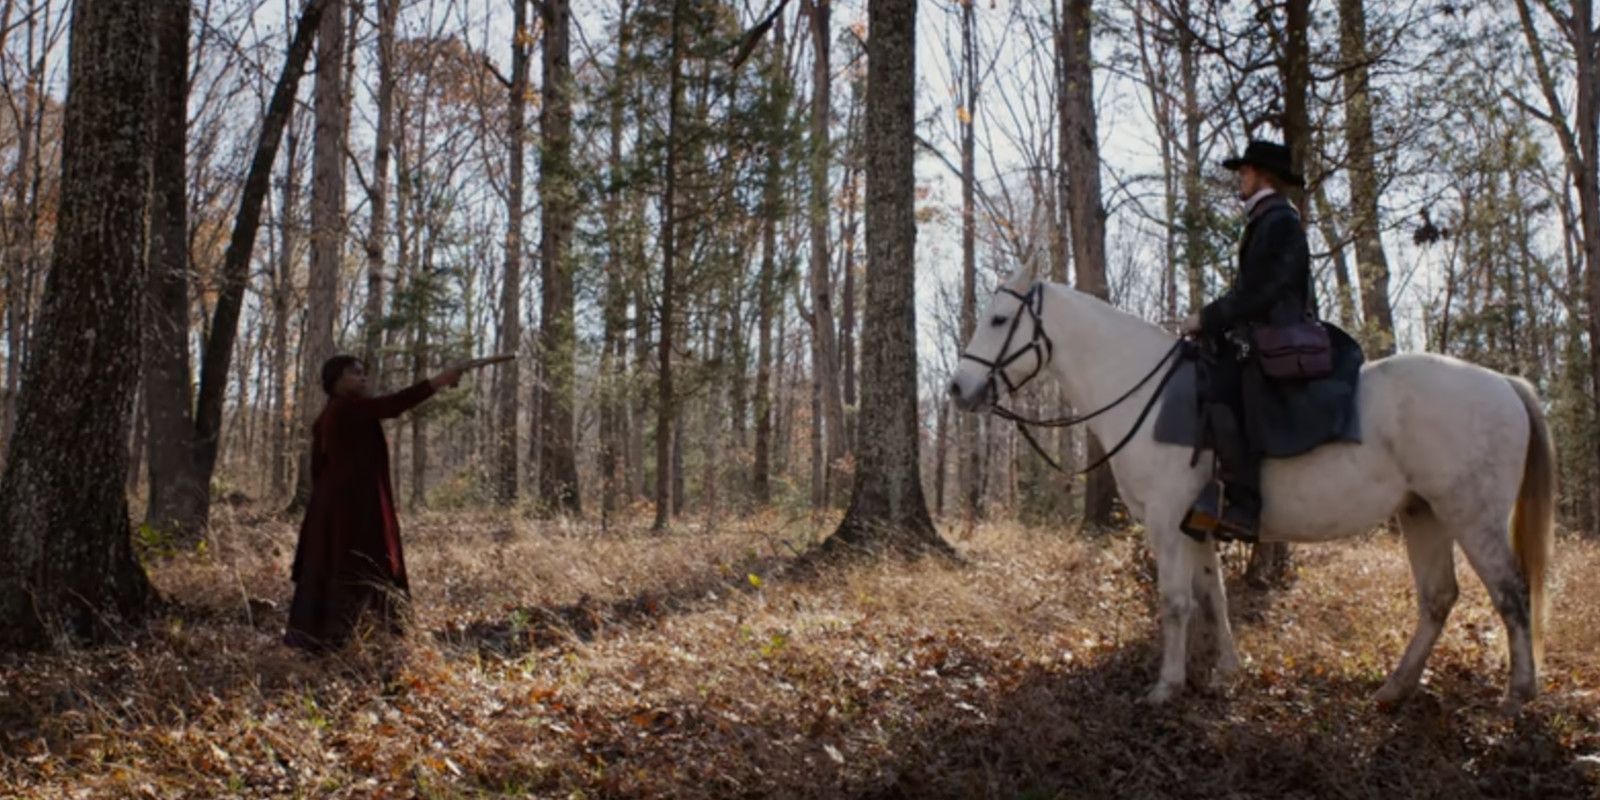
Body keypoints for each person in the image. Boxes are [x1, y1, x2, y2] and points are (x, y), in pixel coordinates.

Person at [1179, 139, 1315, 542]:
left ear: (1264, 175)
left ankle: (1243, 506)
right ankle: (1212, 494)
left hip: (1279, 331)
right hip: (1261, 327)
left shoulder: (1279, 221)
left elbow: (1263, 290)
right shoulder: (1266, 219)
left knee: (1225, 393)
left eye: (1245, 171)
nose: (1241, 177)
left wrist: (1209, 317)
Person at [284, 355, 467, 652]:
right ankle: (351, 638)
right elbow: (392, 405)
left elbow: (319, 468)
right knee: (359, 564)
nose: (363, 377)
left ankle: (357, 637)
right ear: (337, 381)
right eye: (355, 373)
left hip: (343, 506)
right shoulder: (344, 410)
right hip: (349, 509)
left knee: (345, 564)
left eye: (363, 371)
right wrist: (438, 381)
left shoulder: (337, 412)